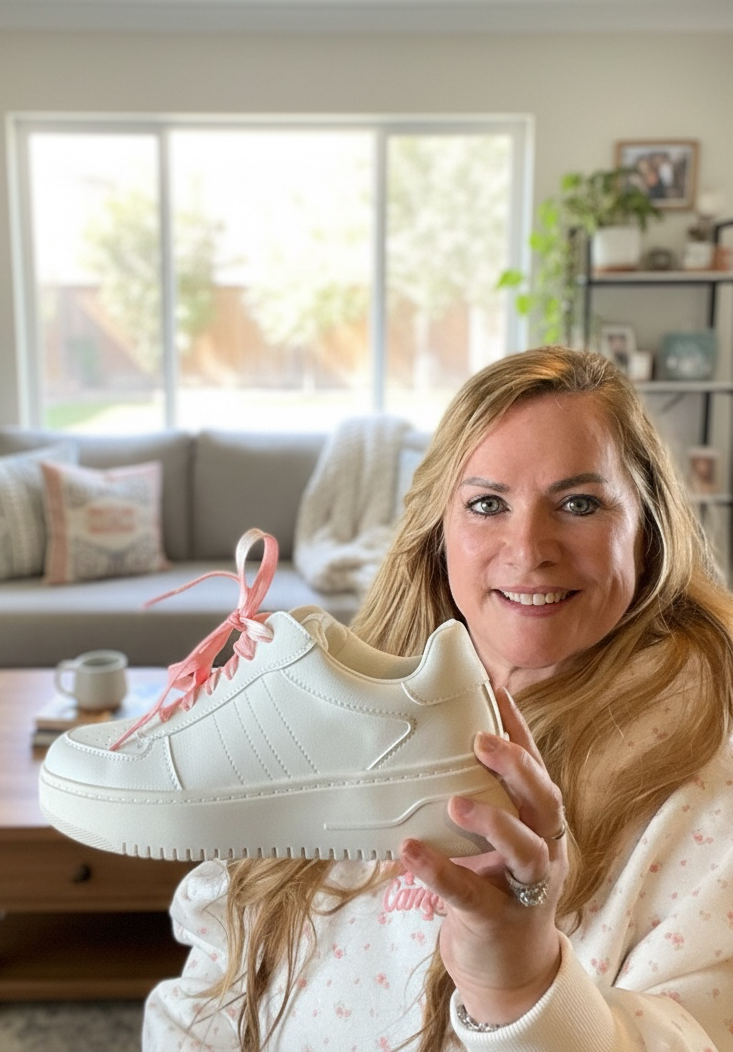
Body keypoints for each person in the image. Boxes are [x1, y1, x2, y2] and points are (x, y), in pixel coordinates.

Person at [143, 345, 733, 1051]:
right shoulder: (347, 712)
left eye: (579, 504)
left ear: (647, 532)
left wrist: (519, 986)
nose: (528, 549)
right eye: (487, 504)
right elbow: (212, 989)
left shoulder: (710, 790)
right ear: (439, 532)